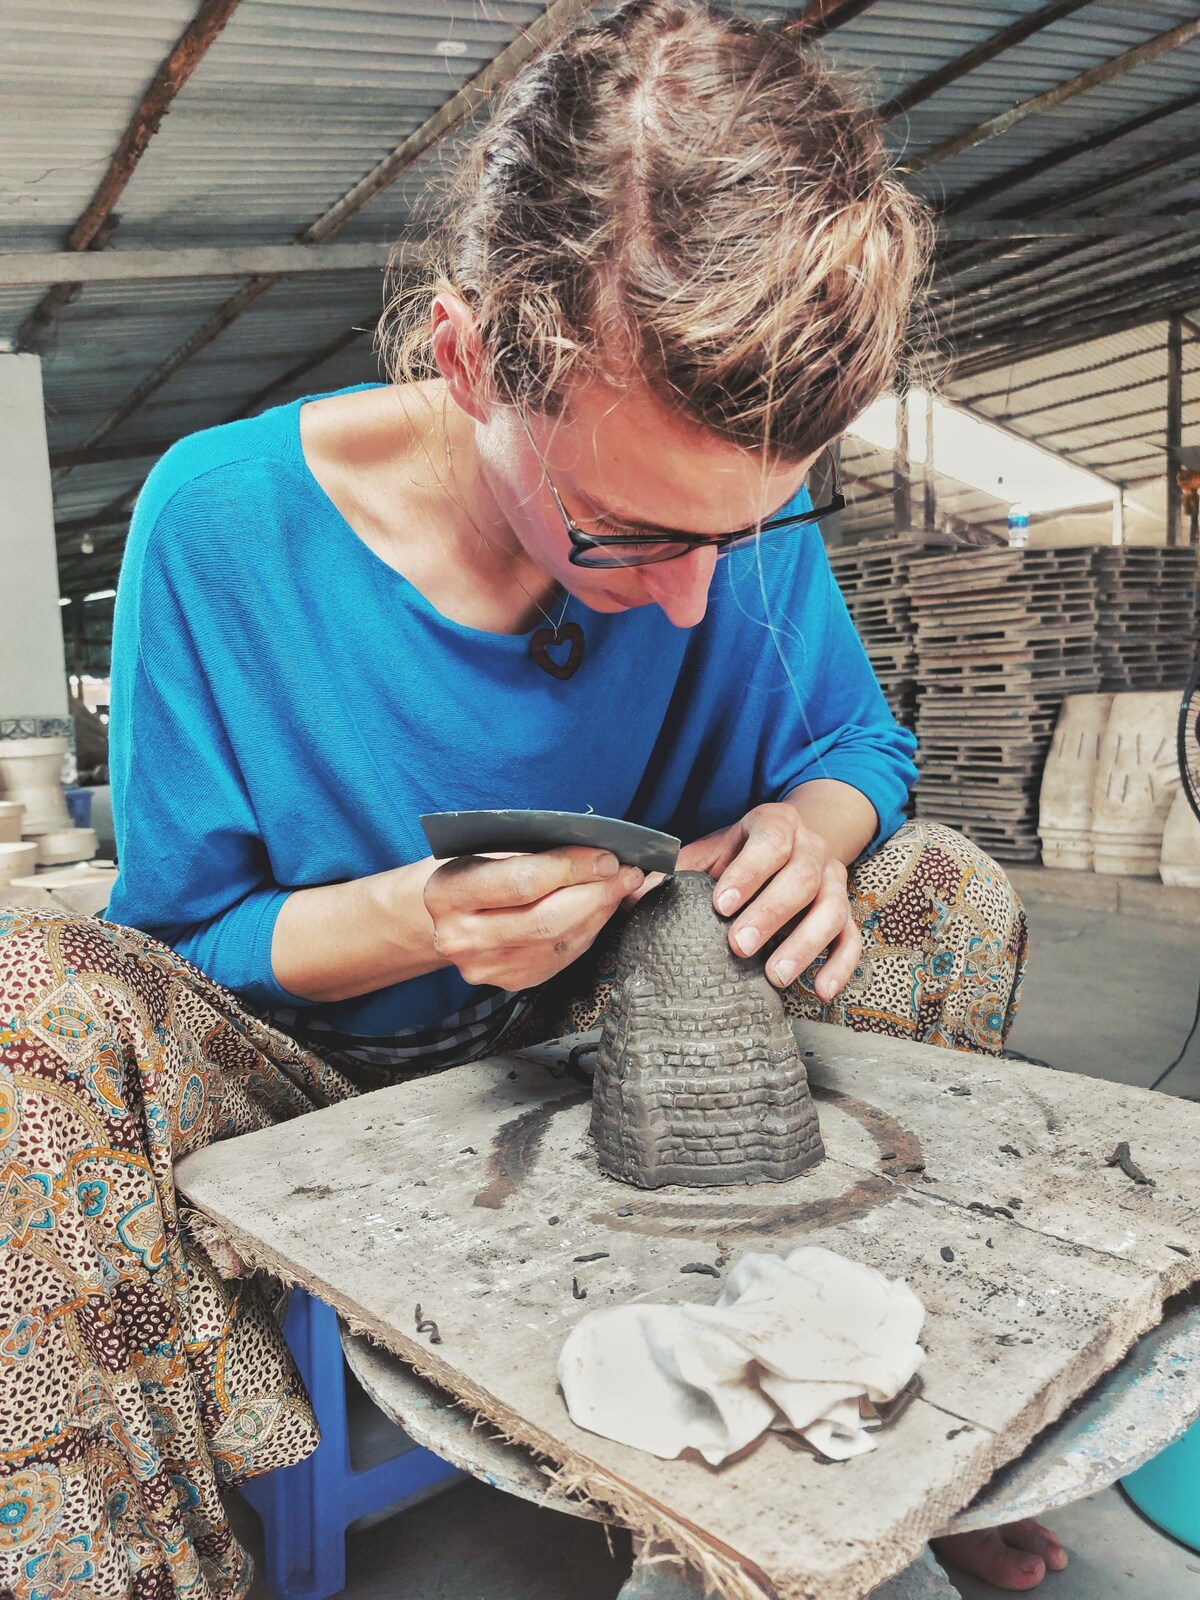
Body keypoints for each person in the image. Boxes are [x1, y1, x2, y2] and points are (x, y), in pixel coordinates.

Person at [0, 3, 1059, 1595]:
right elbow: (183, 944)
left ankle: (870, 1400)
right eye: (630, 532)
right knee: (26, 1008)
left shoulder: (731, 502)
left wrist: (812, 832)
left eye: (742, 536)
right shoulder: (218, 525)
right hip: (320, 1072)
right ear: (466, 359)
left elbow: (861, 748)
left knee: (945, 893)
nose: (698, 598)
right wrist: (416, 920)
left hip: (618, 1031)